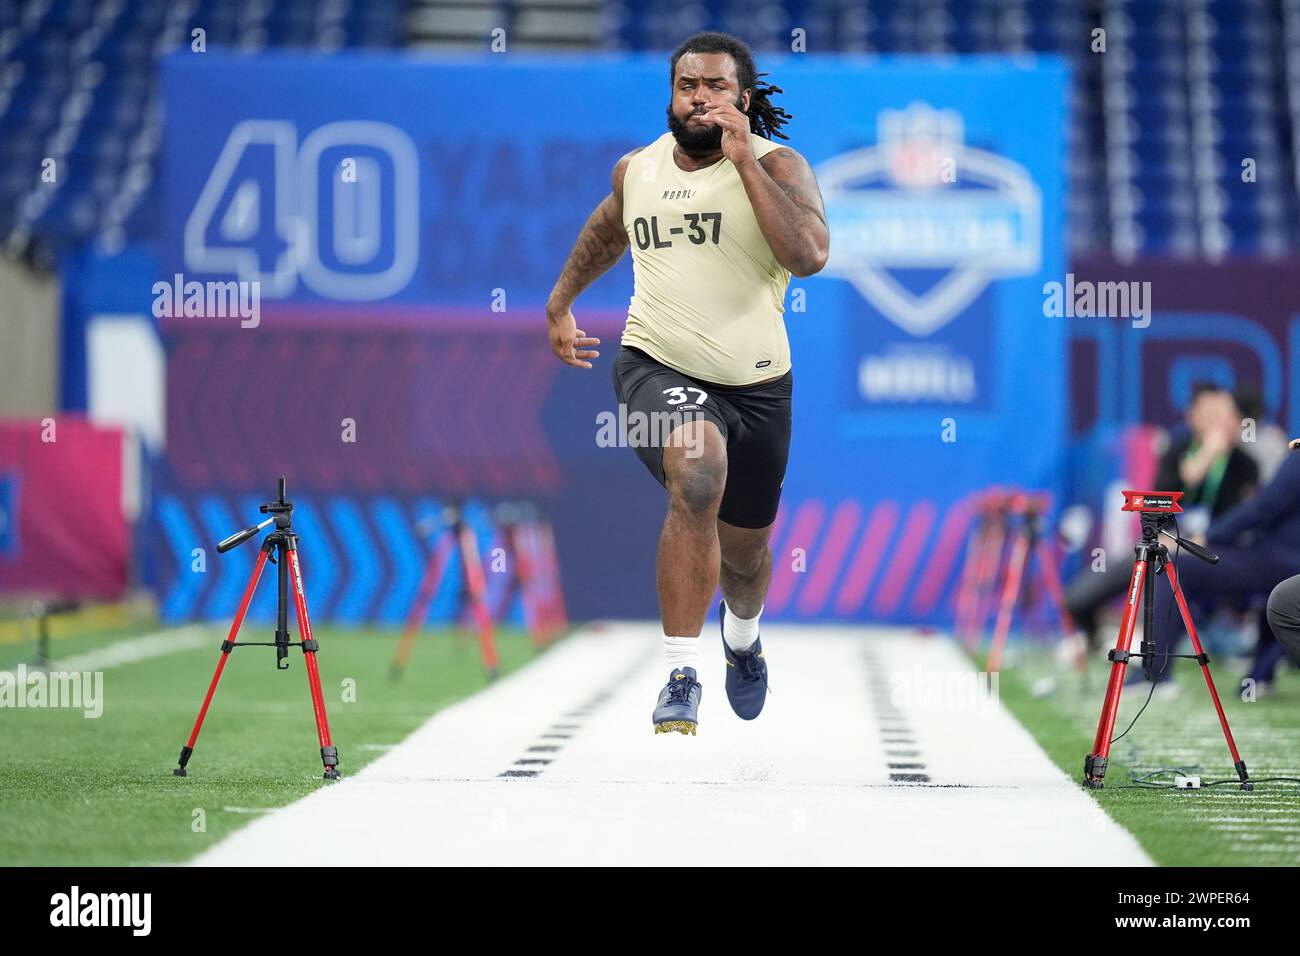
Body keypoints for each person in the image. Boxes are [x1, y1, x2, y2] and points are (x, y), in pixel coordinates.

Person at [544, 31, 829, 735]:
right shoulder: (636, 169)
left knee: (746, 560)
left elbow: (811, 255)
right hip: (655, 364)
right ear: (671, 95)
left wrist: (743, 165)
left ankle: (742, 637)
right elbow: (610, 230)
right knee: (698, 471)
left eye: (715, 87)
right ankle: (680, 671)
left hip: (758, 387)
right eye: (686, 86)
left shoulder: (778, 164)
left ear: (744, 99)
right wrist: (561, 301)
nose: (699, 98)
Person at [1065, 384, 1259, 649]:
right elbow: (1158, 501)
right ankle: (1094, 638)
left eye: (1222, 414)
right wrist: (1202, 461)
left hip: (1210, 553)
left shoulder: (1245, 465)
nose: (1216, 421)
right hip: (1166, 540)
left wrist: (1204, 538)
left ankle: (1148, 641)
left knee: (1168, 571)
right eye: (1208, 413)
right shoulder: (1177, 448)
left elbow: (1239, 521)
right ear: (1191, 416)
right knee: (1080, 597)